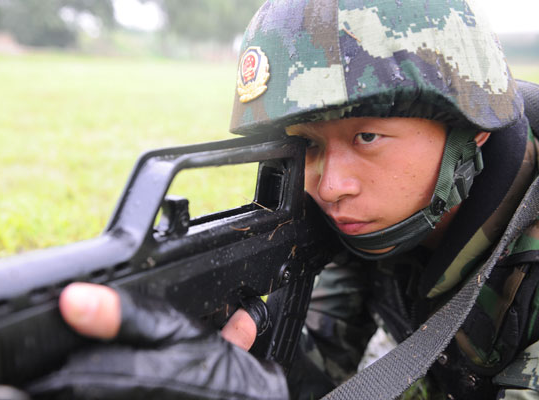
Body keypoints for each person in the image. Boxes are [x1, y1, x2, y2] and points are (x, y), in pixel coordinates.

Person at [29, 0, 539, 399]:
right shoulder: (376, 224)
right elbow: (323, 351)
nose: (330, 186)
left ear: (471, 128)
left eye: (367, 138)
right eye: (308, 143)